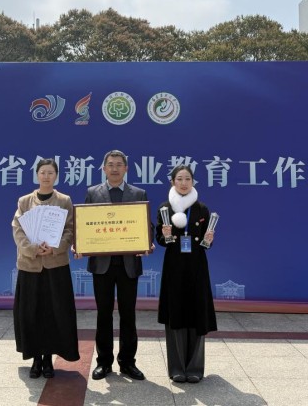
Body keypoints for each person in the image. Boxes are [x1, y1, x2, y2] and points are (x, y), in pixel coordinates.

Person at [75, 149, 151, 381]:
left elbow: (146, 226)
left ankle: (128, 362)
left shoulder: (138, 193)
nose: (115, 168)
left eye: (119, 164)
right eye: (110, 164)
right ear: (103, 168)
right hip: (102, 265)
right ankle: (104, 362)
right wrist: (80, 244)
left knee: (128, 315)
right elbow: (85, 226)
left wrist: (147, 242)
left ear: (126, 168)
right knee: (103, 315)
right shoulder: (93, 193)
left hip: (129, 265)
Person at [11, 158, 80, 378]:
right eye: (43, 172)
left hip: (55, 265)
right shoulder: (24, 201)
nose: (46, 176)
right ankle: (35, 358)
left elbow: (70, 230)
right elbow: (18, 230)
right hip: (30, 266)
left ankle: (49, 358)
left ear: (56, 176)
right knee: (31, 312)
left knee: (53, 312)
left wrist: (55, 248)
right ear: (37, 175)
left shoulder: (64, 200)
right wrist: (32, 249)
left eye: (50, 172)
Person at [156, 165, 217, 383]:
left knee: (197, 313)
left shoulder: (202, 209)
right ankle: (177, 368)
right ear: (172, 182)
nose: (183, 183)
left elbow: (207, 243)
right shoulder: (165, 208)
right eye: (179, 179)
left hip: (197, 267)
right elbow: (160, 240)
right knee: (176, 314)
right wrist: (166, 235)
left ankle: (195, 368)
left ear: (193, 182)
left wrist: (209, 240)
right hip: (174, 267)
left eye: (187, 179)